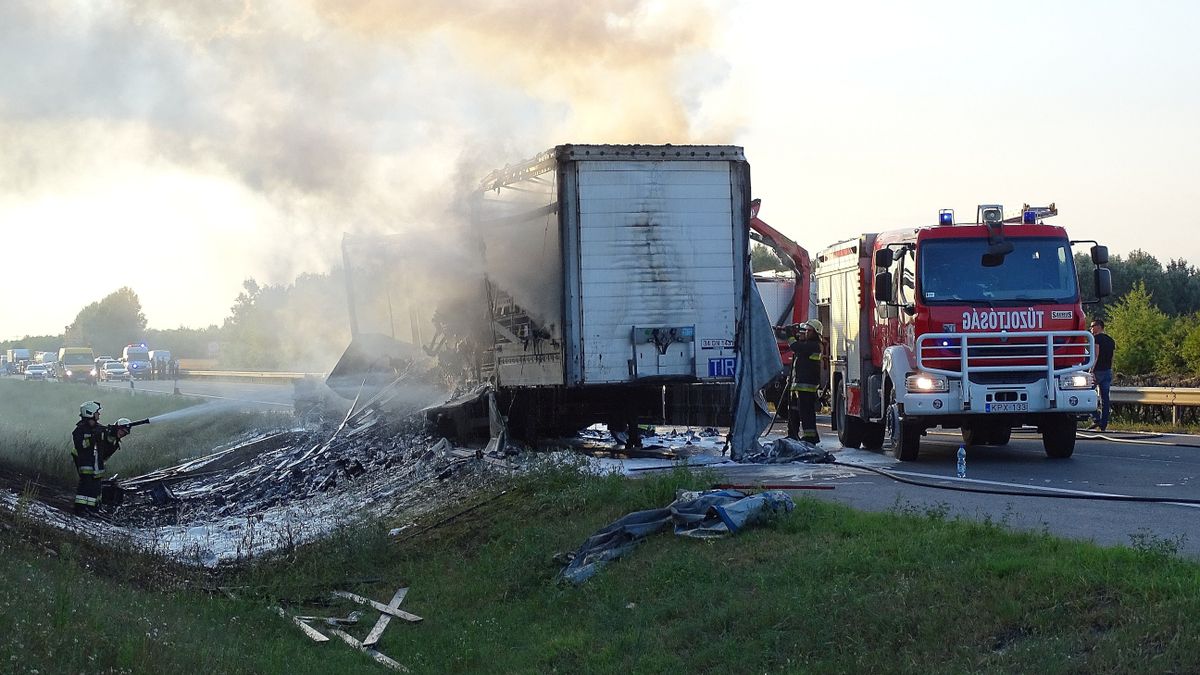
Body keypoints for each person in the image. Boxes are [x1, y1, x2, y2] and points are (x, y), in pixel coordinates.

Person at [71, 401, 131, 516]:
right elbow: (81, 445)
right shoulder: (80, 430)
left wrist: (113, 433)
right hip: (85, 463)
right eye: (97, 412)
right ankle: (80, 509)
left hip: (96, 464)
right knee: (86, 486)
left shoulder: (98, 428)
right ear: (90, 413)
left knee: (96, 487)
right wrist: (94, 437)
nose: (99, 414)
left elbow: (106, 440)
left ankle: (94, 508)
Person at [778, 319, 825, 444]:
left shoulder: (814, 345)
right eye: (804, 330)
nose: (804, 333)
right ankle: (792, 434)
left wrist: (789, 334)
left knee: (806, 412)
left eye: (807, 331)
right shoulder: (805, 345)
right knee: (793, 411)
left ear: (815, 333)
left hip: (807, 387)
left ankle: (811, 437)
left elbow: (795, 346)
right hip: (798, 386)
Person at [1089, 319, 1116, 432]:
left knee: (1087, 394)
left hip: (1098, 371)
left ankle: (1096, 418)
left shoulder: (1096, 339)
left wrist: (1091, 371)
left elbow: (1096, 355)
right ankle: (1103, 424)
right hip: (1107, 371)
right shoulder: (1111, 340)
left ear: (1099, 326)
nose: (1091, 329)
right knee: (1105, 399)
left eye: (1092, 326)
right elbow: (1112, 358)